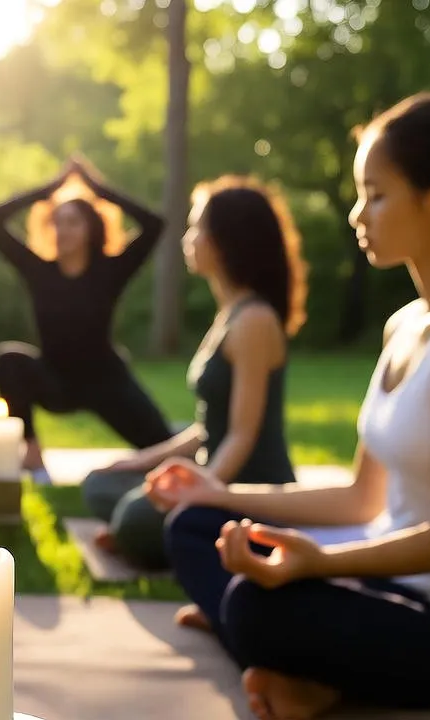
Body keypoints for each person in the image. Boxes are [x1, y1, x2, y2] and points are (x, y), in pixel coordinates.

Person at [152, 92, 430, 718]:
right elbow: (360, 500)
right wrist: (213, 493)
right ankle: (294, 666)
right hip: (390, 586)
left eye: (377, 193)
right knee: (194, 527)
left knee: (254, 605)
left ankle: (299, 669)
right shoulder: (406, 325)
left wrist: (319, 563)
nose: (358, 214)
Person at [80, 176, 307, 572]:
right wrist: (138, 461)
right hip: (211, 468)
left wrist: (202, 492)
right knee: (101, 481)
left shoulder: (254, 320)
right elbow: (207, 428)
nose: (188, 238)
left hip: (248, 487)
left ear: (227, 240)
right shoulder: (229, 314)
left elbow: (241, 435)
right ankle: (157, 532)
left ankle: (163, 535)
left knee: (135, 520)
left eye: (197, 226)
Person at [0, 158, 172, 477]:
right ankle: (32, 450)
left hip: (107, 382)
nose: (62, 230)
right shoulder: (39, 271)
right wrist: (50, 189)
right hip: (56, 382)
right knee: (8, 358)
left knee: (164, 452)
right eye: (58, 222)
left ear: (91, 229)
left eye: (73, 223)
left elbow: (154, 224)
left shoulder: (110, 270)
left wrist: (96, 188)